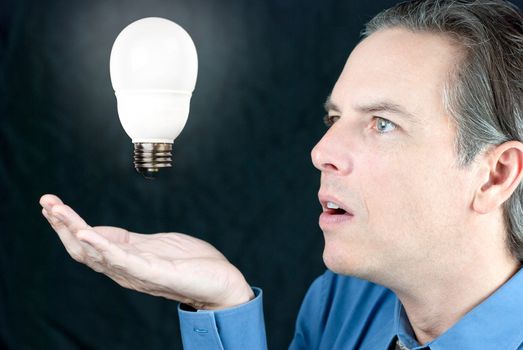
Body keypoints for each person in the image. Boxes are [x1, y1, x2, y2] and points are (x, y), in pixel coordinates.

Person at [40, 0, 523, 349]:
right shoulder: (342, 302)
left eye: (382, 123)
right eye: (335, 119)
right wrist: (223, 305)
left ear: (495, 175)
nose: (321, 151)